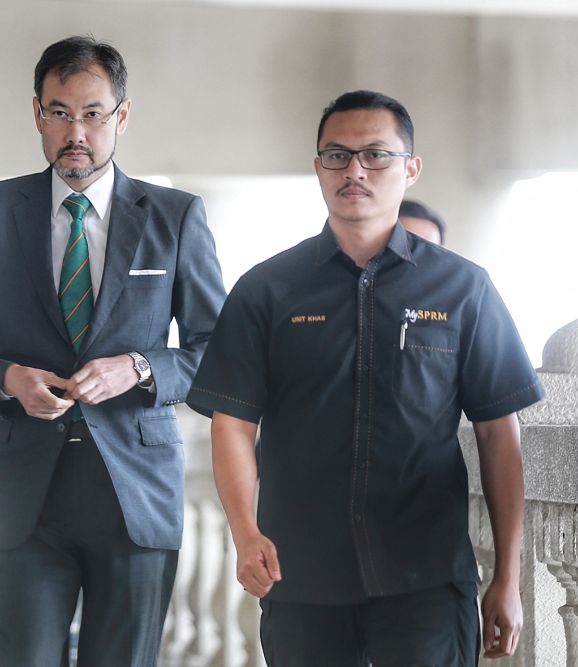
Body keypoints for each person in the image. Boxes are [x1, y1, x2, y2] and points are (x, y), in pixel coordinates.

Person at [187, 90, 544, 666]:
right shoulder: (267, 289)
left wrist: (508, 575)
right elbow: (232, 424)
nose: (355, 170)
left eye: (376, 155)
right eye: (337, 155)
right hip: (300, 575)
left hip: (427, 579)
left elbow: (499, 433)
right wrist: (245, 531)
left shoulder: (463, 289)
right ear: (318, 167)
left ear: (411, 168)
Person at [0, 35, 225, 666]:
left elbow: (215, 354)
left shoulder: (175, 217)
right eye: (60, 112)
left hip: (136, 494)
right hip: (26, 496)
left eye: (93, 113)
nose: (77, 132)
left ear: (122, 116)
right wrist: (9, 378)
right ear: (36, 113)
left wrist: (141, 367)